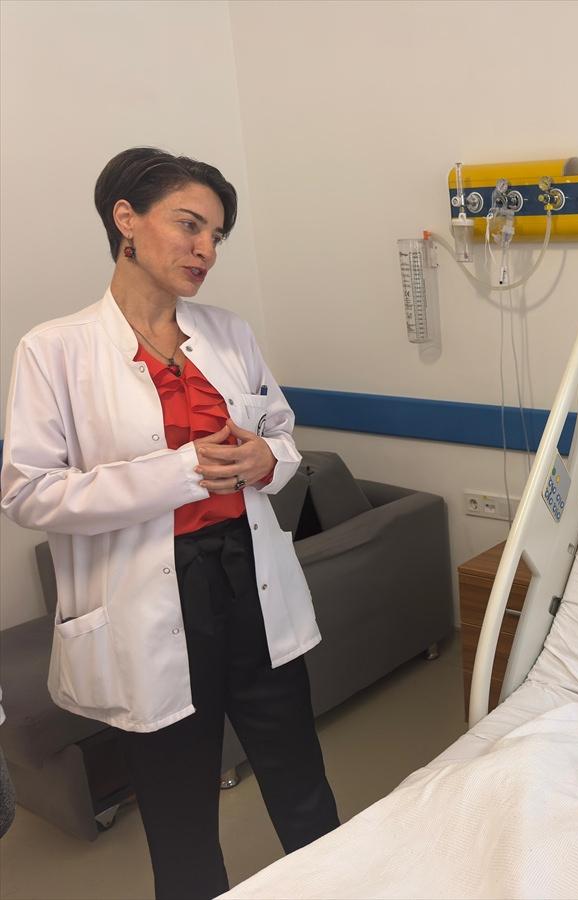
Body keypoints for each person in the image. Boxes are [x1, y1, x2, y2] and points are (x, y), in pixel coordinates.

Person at [0, 148, 338, 898]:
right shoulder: (55, 349)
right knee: (180, 819)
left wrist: (266, 459)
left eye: (216, 235)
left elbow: (281, 435)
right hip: (150, 602)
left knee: (302, 784)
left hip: (249, 581)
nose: (205, 249)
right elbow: (28, 493)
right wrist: (177, 473)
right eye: (190, 225)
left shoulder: (229, 334)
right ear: (126, 219)